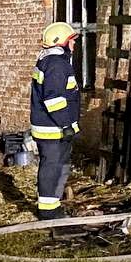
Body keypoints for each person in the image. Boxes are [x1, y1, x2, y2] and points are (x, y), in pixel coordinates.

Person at [29, 22, 82, 220]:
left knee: (58, 166)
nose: (74, 45)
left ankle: (53, 204)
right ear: (61, 42)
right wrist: (66, 125)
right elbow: (54, 100)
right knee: (52, 167)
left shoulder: (50, 61)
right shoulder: (57, 65)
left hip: (51, 126)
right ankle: (48, 211)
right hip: (53, 128)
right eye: (71, 41)